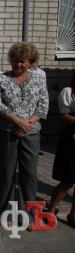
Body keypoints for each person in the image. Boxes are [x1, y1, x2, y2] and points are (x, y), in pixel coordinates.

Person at [0, 42, 49, 228]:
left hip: (31, 133)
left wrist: (28, 123)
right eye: (15, 61)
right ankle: (4, 212)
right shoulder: (1, 79)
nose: (18, 65)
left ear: (31, 62)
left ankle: (31, 215)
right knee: (7, 173)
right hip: (7, 131)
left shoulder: (38, 79)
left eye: (23, 61)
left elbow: (43, 105)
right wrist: (17, 121)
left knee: (29, 174)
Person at [47, 71, 75, 229]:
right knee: (67, 180)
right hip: (71, 138)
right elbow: (64, 116)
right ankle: (51, 210)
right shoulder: (68, 92)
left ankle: (73, 214)